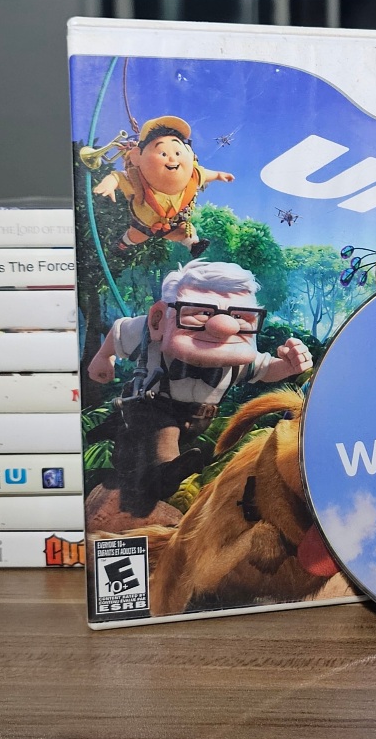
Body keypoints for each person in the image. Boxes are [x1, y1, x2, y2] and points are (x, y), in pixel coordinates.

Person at [87, 259, 312, 516]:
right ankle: (164, 473)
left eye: (239, 317)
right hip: (151, 405)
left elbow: (265, 370)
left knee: (140, 454)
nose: (224, 326)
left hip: (199, 418)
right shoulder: (148, 331)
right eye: (203, 313)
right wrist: (102, 358)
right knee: (162, 435)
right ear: (160, 317)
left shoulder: (238, 353)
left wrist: (289, 366)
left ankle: (155, 473)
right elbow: (119, 332)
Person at [91, 115, 234, 257]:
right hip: (144, 224)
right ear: (137, 156)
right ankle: (122, 244)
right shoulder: (137, 178)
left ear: (189, 154)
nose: (172, 158)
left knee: (186, 232)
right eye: (163, 153)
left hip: (173, 224)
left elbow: (204, 173)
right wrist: (108, 184)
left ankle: (193, 245)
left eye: (178, 152)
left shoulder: (193, 176)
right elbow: (119, 177)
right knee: (135, 236)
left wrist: (218, 175)